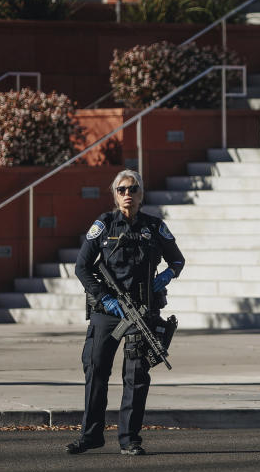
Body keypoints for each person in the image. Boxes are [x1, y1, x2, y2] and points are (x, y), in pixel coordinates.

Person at [65, 169, 185, 456]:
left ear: (141, 194)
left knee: (136, 375)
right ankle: (91, 435)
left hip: (142, 311)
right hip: (108, 311)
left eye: (133, 189)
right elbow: (82, 268)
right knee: (95, 370)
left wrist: (166, 276)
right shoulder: (104, 225)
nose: (127, 194)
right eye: (121, 189)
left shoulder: (154, 227)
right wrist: (104, 298)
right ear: (114, 194)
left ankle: (129, 439)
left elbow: (178, 260)